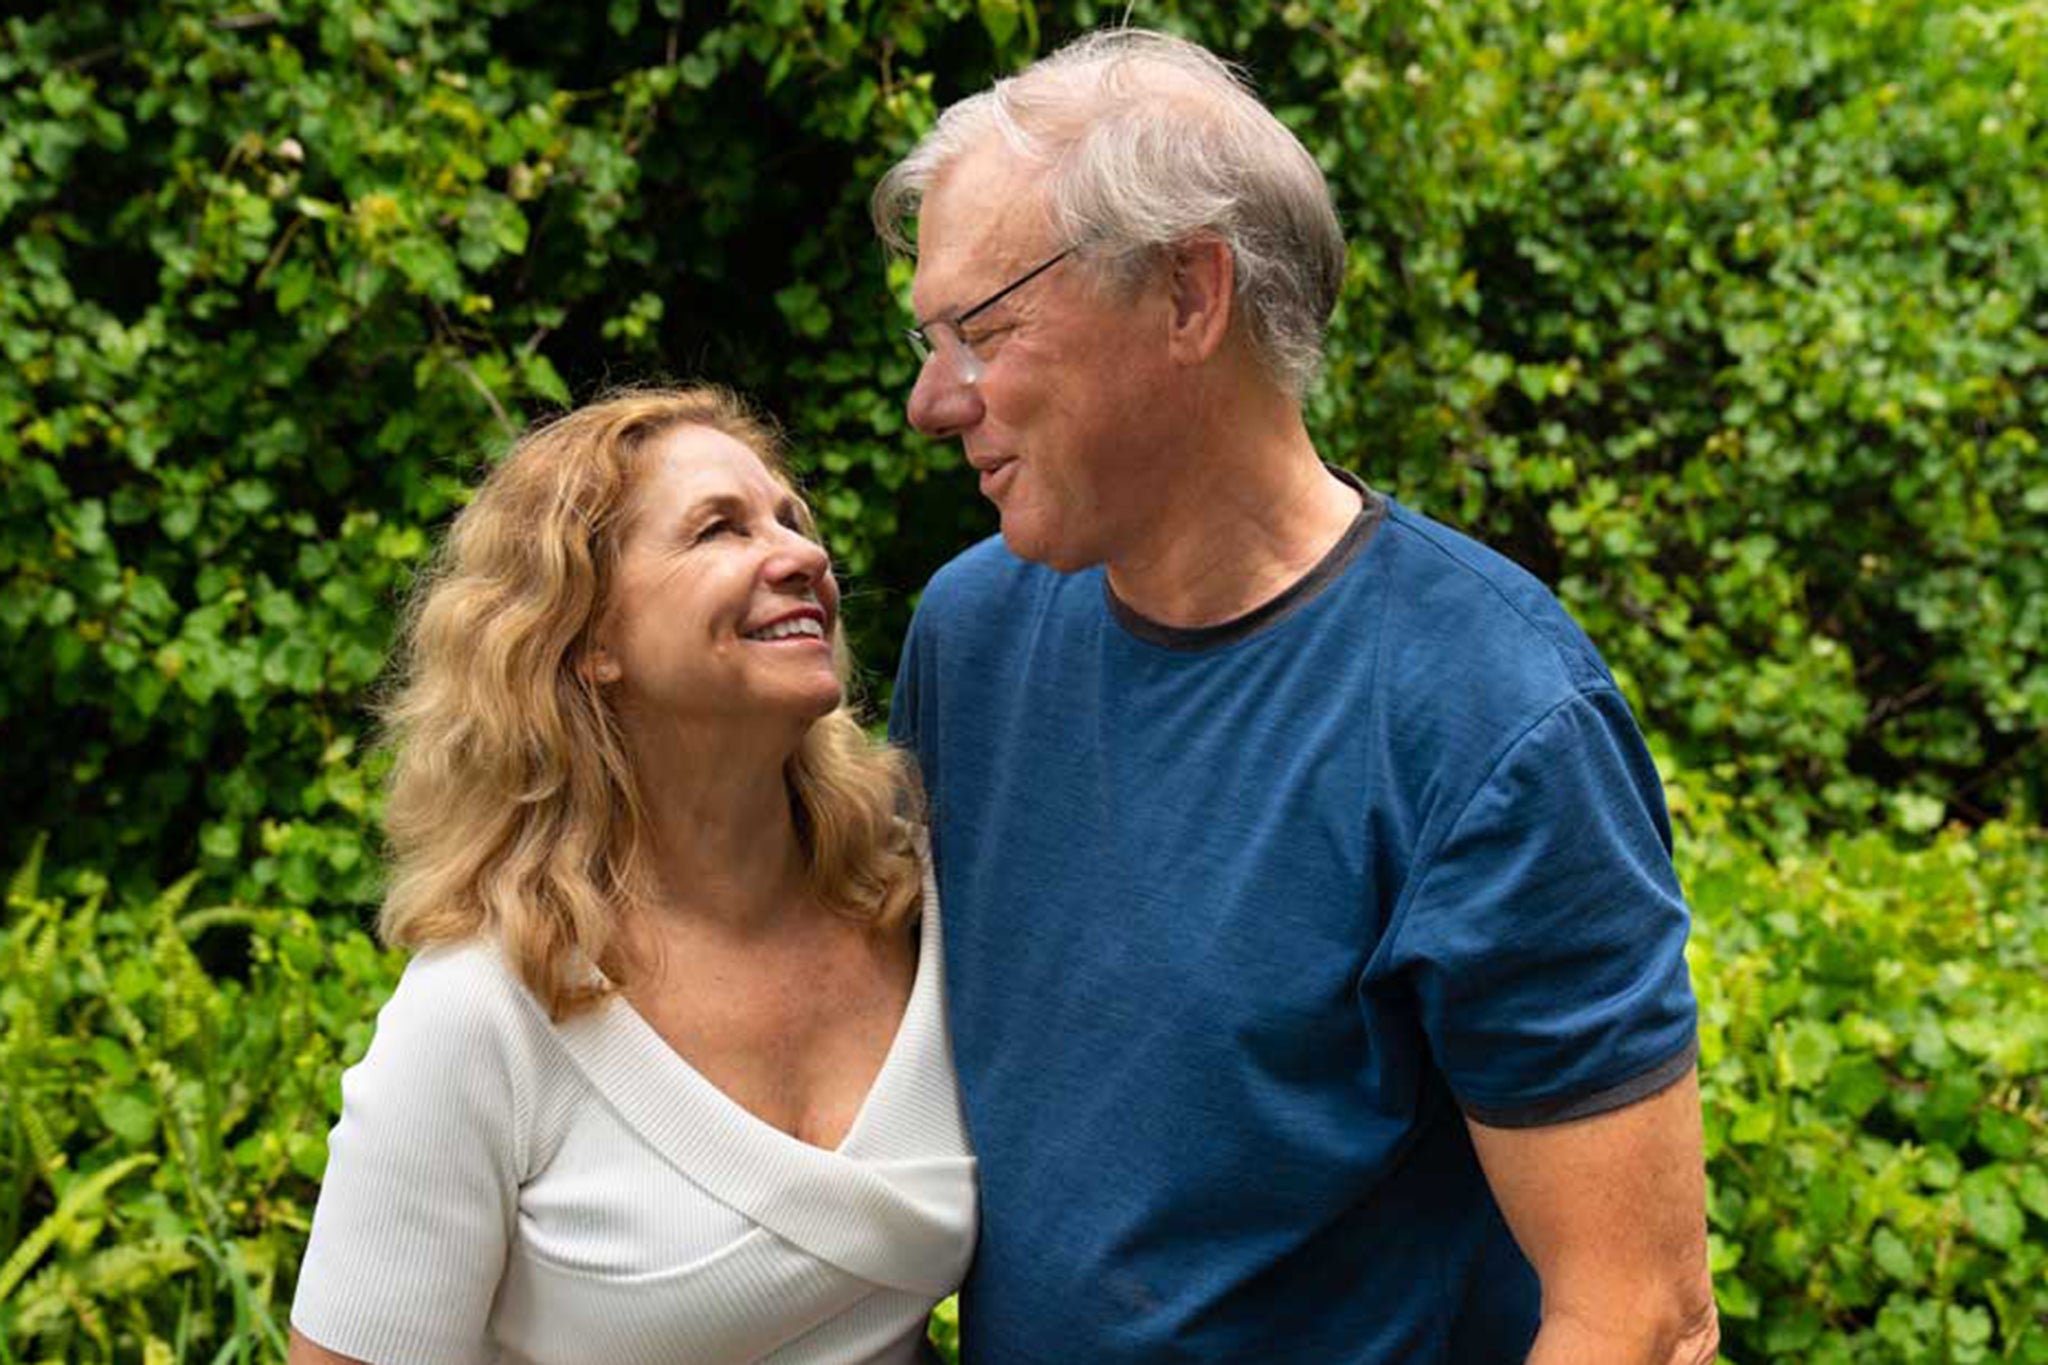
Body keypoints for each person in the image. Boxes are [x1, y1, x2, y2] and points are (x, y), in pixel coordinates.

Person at [872, 29, 1717, 1365]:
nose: (933, 401)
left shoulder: (1490, 714)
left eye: (981, 330)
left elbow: (1639, 1314)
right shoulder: (970, 635)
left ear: (1187, 296)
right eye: (931, 341)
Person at [288, 388, 976, 1365]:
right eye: (718, 529)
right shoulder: (486, 1012)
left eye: (791, 518)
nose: (801, 556)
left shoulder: (920, 902)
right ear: (588, 641)